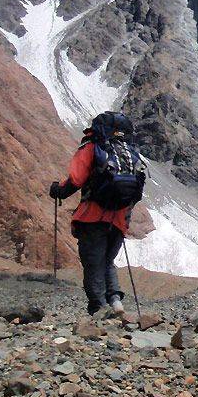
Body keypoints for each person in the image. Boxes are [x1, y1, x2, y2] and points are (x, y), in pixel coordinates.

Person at [50, 112, 144, 316]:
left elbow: (76, 179)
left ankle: (99, 309)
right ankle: (116, 301)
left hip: (93, 217)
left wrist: (58, 191)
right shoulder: (129, 153)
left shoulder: (92, 147)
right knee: (107, 261)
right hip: (119, 219)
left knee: (93, 264)